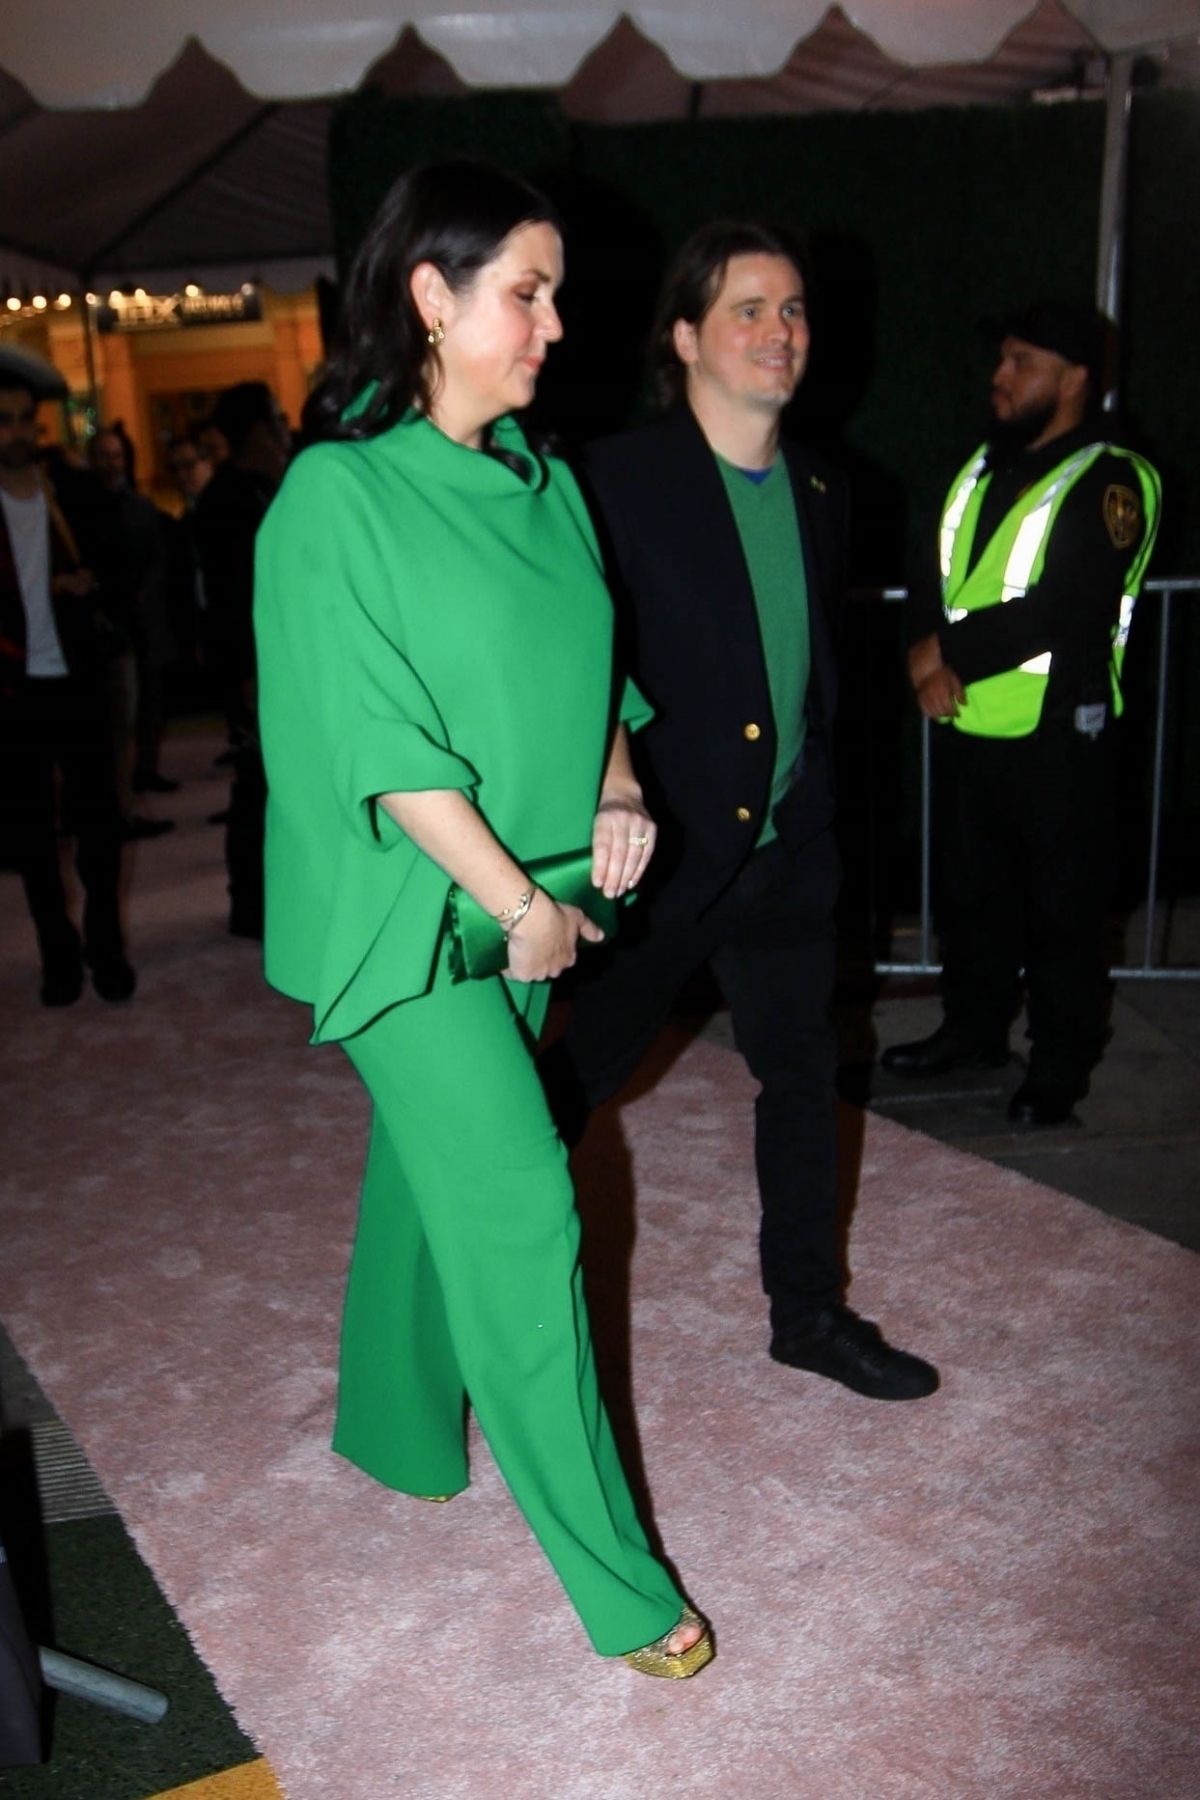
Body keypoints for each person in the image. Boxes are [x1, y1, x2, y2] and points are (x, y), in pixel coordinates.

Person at [253, 161, 713, 1678]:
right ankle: (624, 1589)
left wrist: (620, 785)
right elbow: (376, 749)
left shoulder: (544, 476)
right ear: (429, 300)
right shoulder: (337, 495)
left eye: (557, 290)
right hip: (414, 921)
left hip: (542, 901)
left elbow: (596, 661)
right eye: (525, 290)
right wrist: (517, 904)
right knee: (520, 1199)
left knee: (429, 1174)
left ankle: (391, 1427)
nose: (556, 324)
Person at [542, 222, 938, 1403]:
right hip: (656, 854)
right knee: (563, 1084)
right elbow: (573, 652)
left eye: (795, 311)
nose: (782, 333)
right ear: (686, 337)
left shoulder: (825, 486)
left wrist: (810, 802)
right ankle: (486, 1303)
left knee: (805, 1076)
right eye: (750, 311)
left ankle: (808, 1315)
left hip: (786, 853)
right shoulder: (613, 481)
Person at [881, 302, 1161, 1126]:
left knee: (1064, 909)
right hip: (970, 721)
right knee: (973, 897)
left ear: (1074, 380)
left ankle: (1060, 1064)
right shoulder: (980, 465)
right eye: (1001, 361)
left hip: (1059, 734)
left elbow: (1069, 604)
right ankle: (971, 1031)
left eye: (1021, 362)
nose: (1000, 378)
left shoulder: (1113, 477)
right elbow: (932, 571)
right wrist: (918, 653)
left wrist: (947, 657)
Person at [0, 377, 135, 1003]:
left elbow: (121, 563)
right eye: (6, 420)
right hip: (14, 688)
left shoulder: (70, 492)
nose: (19, 431)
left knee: (99, 827)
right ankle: (58, 954)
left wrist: (90, 582)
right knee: (31, 836)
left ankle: (104, 948)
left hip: (77, 677)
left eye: (27, 418)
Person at [194, 382, 290, 936]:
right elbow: (232, 599)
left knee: (261, 780)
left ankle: (253, 901)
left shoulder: (254, 489)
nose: (283, 431)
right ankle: (249, 904)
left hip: (261, 661)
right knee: (256, 781)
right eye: (275, 421)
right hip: (253, 664)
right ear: (255, 432)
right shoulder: (230, 499)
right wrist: (250, 675)